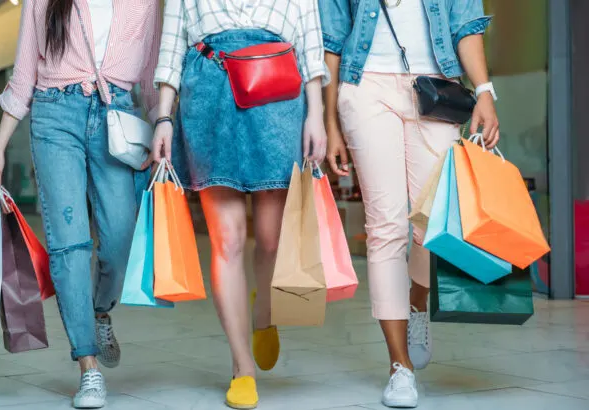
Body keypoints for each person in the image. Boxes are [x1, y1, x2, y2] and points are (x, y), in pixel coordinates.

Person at [0, 0, 162, 407]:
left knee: (121, 237)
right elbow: (25, 72)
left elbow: (148, 74)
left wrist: (162, 125)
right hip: (55, 116)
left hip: (118, 115)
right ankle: (88, 367)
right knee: (70, 244)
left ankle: (98, 312)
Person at [319, 0, 499, 407]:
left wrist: (485, 91)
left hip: (437, 87)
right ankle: (400, 367)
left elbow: (466, 23)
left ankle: (416, 302)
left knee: (432, 222)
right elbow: (331, 41)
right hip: (364, 87)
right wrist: (330, 124)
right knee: (386, 227)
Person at [151, 0, 329, 408]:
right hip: (210, 99)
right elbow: (171, 47)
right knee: (228, 241)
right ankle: (241, 366)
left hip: (278, 97)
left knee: (270, 239)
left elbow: (311, 48)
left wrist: (315, 115)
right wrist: (163, 116)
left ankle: (263, 314)